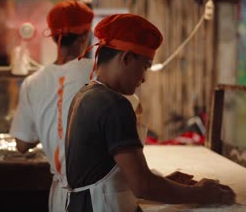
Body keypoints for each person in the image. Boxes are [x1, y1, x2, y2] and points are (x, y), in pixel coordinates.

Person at [64, 14, 236, 212]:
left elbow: (103, 172)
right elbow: (143, 186)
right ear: (126, 58)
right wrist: (203, 193)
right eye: (145, 67)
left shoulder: (85, 94)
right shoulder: (113, 105)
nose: (144, 78)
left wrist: (165, 184)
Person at [9, 0, 95, 212]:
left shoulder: (33, 82)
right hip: (95, 194)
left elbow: (22, 143)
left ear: (54, 36)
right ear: (85, 36)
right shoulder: (98, 72)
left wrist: (49, 127)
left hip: (59, 196)